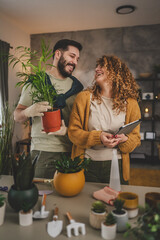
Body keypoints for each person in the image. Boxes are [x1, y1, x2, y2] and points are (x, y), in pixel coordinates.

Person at [14, 39, 83, 179]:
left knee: (68, 197)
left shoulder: (77, 88)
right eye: (72, 56)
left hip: (71, 152)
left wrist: (68, 131)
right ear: (58, 54)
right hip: (42, 152)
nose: (75, 62)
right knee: (42, 196)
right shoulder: (36, 82)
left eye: (77, 58)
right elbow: (17, 116)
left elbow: (81, 123)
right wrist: (28, 111)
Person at [68, 55, 141, 184]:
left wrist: (125, 140)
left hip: (116, 164)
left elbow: (135, 138)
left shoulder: (131, 103)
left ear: (116, 72)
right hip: (86, 164)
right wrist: (98, 137)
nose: (97, 68)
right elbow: (73, 133)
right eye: (97, 66)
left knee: (115, 202)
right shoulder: (84, 98)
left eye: (102, 66)